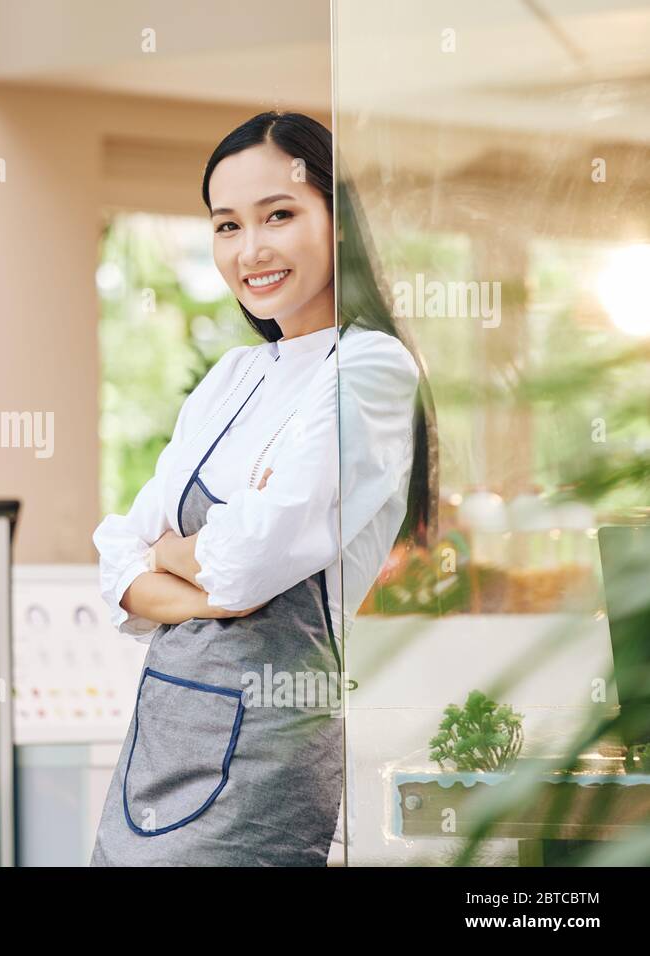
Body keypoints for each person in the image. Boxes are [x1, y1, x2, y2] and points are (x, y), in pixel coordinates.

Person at [89, 111, 436, 866]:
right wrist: (208, 581)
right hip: (158, 753)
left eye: (279, 215)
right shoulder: (232, 377)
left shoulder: (371, 369)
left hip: (267, 762)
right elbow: (118, 555)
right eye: (227, 225)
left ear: (335, 222)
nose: (252, 250)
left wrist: (172, 557)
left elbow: (246, 561)